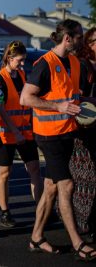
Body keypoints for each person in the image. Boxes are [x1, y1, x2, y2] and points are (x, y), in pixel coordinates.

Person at [20, 19, 96, 260]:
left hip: (67, 132)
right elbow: (26, 98)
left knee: (51, 188)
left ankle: (36, 237)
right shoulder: (45, 64)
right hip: (48, 135)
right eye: (79, 37)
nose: (82, 41)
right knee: (67, 185)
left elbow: (74, 97)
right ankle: (77, 243)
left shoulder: (74, 62)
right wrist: (57, 106)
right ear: (67, 39)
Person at [0, 41, 43, 227]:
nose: (22, 64)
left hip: (25, 132)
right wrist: (14, 131)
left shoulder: (21, 75)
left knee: (34, 169)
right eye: (19, 61)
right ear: (9, 58)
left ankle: (41, 209)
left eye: (24, 61)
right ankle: (5, 212)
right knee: (4, 172)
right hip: (6, 134)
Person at [69, 26, 96, 240]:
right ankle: (83, 223)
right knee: (86, 179)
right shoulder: (83, 66)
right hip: (84, 130)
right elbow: (75, 98)